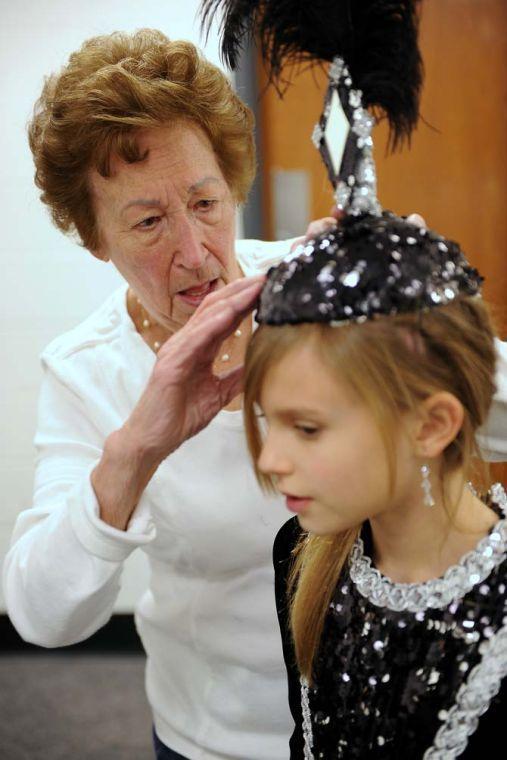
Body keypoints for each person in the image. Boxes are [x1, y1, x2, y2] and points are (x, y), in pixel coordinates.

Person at [2, 28, 338, 760]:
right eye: (148, 222)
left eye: (204, 202)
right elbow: (41, 616)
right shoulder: (88, 372)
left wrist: (421, 323)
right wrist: (136, 450)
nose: (192, 251)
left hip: (389, 713)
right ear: (96, 239)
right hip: (217, 738)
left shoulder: (318, 287)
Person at [243, 211, 507, 758]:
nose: (270, 459)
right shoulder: (302, 553)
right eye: (269, 422)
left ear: (431, 426)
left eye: (307, 428)